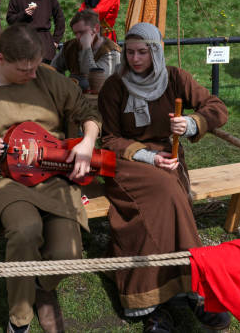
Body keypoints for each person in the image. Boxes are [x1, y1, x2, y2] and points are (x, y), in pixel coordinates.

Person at [0, 23, 101, 333]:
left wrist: (87, 142)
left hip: (52, 174)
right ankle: (20, 317)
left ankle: (41, 285)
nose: (32, 74)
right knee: (26, 229)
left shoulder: (45, 77)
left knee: (70, 252)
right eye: (24, 69)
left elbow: (86, 111)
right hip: (0, 179)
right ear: (1, 59)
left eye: (36, 66)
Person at [97, 22, 230, 332]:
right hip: (127, 161)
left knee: (168, 195)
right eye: (129, 52)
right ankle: (157, 300)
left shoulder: (174, 78)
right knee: (164, 198)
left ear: (156, 51)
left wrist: (192, 123)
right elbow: (110, 139)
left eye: (143, 52)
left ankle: (185, 289)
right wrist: (149, 157)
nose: (135, 58)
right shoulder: (114, 87)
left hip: (167, 159)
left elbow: (217, 107)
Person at [6, 0, 65, 64]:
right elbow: (10, 20)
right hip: (25, 42)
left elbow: (60, 18)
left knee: (45, 75)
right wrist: (23, 15)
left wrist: (55, 40)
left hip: (46, 44)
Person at [51, 9, 120, 91]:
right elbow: (53, 69)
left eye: (82, 32)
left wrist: (86, 47)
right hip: (71, 95)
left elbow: (94, 80)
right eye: (75, 33)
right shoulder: (70, 46)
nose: (78, 37)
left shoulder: (111, 51)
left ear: (96, 29)